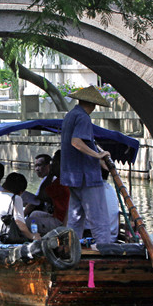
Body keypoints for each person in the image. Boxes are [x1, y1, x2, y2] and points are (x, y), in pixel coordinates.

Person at [59, 85, 115, 248]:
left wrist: (98, 160)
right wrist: (98, 155)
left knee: (75, 220)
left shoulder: (70, 115)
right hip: (86, 177)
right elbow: (76, 142)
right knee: (100, 221)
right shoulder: (83, 117)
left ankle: (71, 251)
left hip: (73, 177)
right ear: (92, 104)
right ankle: (105, 254)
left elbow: (78, 145)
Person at [0, 172, 40, 244]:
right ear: (21, 191)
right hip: (2, 242)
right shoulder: (16, 198)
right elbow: (20, 223)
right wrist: (33, 236)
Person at [27, 150, 70, 235]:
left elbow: (42, 196)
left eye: (53, 163)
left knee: (28, 222)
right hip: (56, 215)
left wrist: (50, 174)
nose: (52, 165)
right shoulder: (59, 180)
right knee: (35, 214)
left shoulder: (60, 181)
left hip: (61, 221)